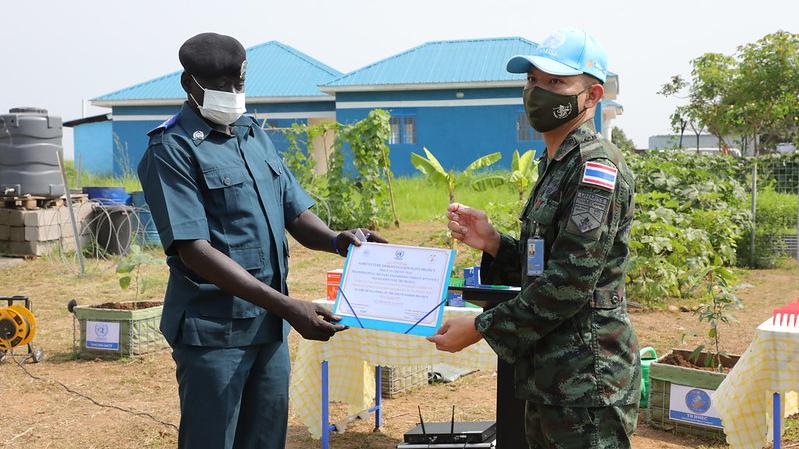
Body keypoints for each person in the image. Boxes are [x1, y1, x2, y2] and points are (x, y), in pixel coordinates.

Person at [137, 32, 385, 449]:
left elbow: (294, 213)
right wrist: (289, 307)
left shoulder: (252, 134)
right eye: (221, 86)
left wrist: (337, 241)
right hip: (213, 333)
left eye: (238, 84)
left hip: (268, 330)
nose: (232, 94)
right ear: (189, 84)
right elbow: (194, 251)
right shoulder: (172, 149)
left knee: (266, 439)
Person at [427, 28, 641, 449]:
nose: (537, 92)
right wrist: (494, 243)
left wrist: (481, 327)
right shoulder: (556, 164)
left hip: (586, 382)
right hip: (549, 376)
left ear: (593, 96)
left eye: (556, 82)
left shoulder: (595, 169)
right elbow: (545, 264)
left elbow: (570, 283)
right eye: (532, 80)